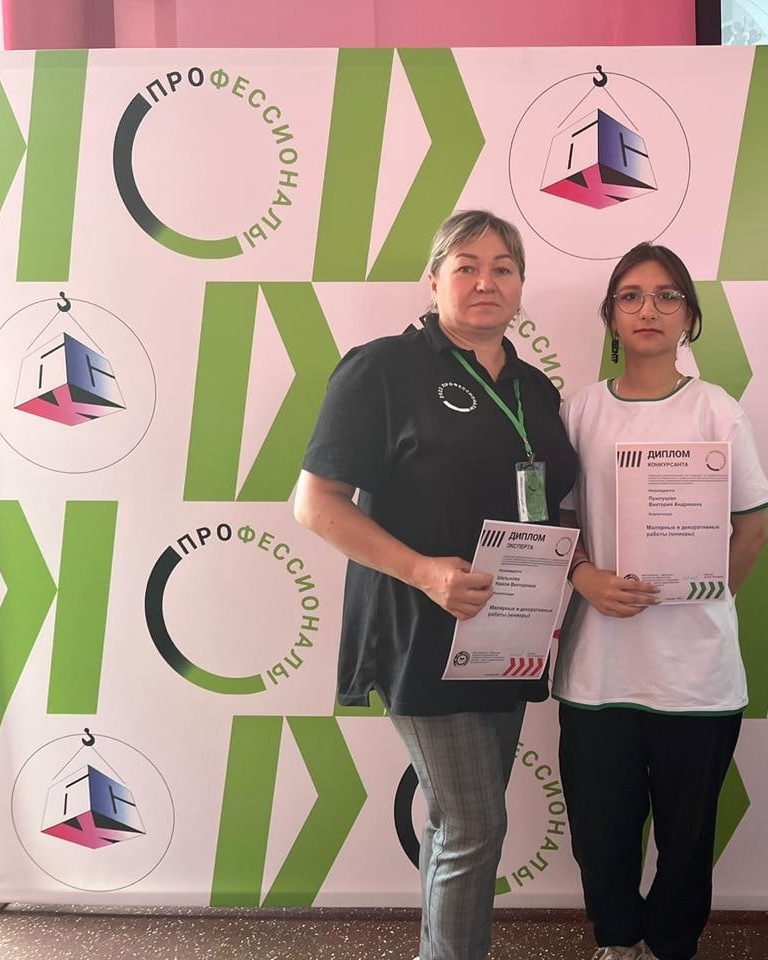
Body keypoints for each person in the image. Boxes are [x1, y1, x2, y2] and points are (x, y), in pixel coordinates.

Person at [293, 210, 577, 960]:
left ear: (520, 285)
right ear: (433, 280)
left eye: (503, 268)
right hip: (420, 629)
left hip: (508, 631)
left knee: (465, 824)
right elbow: (316, 505)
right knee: (473, 825)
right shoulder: (383, 369)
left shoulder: (535, 389)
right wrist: (423, 571)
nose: (486, 281)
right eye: (466, 266)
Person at [556, 243, 768, 960]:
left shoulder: (717, 411)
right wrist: (583, 577)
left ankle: (672, 944)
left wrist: (700, 597)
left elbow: (752, 529)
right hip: (598, 671)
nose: (648, 309)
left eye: (666, 295)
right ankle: (617, 941)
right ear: (611, 317)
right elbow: (556, 522)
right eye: (630, 296)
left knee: (687, 836)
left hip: (695, 673)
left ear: (690, 316)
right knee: (600, 829)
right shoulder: (578, 410)